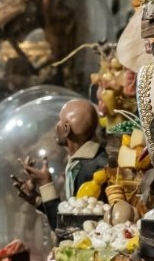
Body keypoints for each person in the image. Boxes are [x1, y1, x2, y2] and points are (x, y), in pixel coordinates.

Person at [14, 98, 106, 229]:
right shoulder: (82, 162)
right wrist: (38, 201)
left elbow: (70, 227)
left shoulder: (92, 169)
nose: (55, 126)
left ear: (67, 128)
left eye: (59, 120)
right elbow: (68, 215)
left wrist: (45, 184)